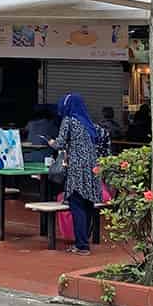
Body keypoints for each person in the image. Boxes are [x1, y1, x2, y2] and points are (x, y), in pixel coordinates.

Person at [49, 92, 110, 256]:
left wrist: (51, 142)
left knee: (76, 205)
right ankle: (85, 241)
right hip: (92, 168)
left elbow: (60, 143)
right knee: (88, 204)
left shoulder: (68, 121)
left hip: (77, 168)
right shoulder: (88, 123)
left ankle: (82, 245)